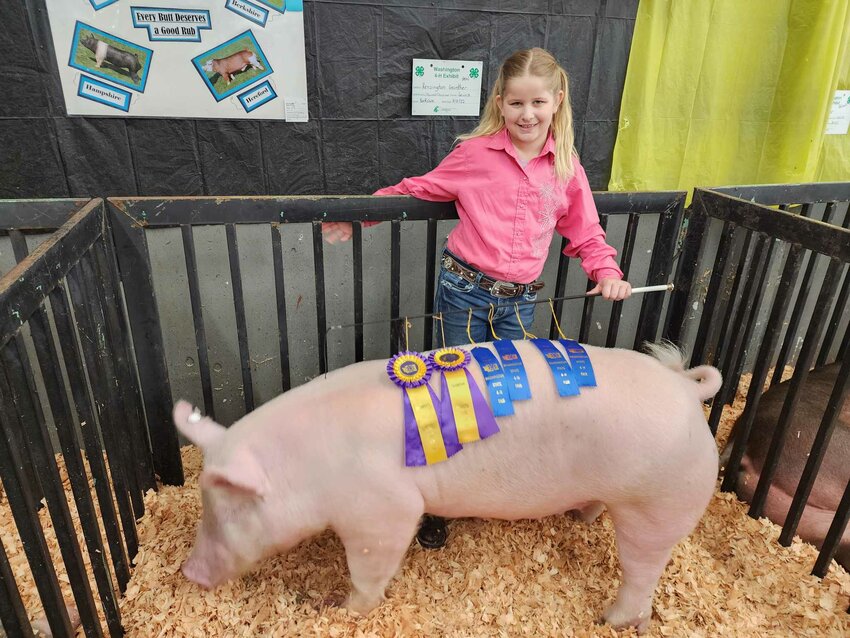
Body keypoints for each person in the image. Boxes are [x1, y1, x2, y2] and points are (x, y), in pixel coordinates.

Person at [323, 47, 631, 548]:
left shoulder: (567, 169)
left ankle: (496, 485)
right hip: (465, 292)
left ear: (557, 100)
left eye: (536, 103)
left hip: (519, 300)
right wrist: (359, 213)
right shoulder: (475, 154)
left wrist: (608, 271)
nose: (526, 114)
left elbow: (586, 233)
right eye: (515, 104)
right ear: (499, 103)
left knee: (510, 391)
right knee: (458, 392)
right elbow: (416, 190)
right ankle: (438, 500)